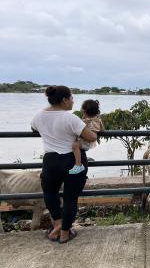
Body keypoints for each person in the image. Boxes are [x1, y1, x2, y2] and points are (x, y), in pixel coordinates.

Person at [31, 86, 97, 243]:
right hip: (72, 162)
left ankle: (57, 224)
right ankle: (65, 233)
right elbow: (92, 137)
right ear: (64, 100)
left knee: (50, 193)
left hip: (51, 161)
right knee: (70, 198)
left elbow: (34, 128)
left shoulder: (39, 115)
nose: (73, 101)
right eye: (72, 98)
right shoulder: (70, 118)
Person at [69, 100, 104, 174]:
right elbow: (102, 129)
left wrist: (83, 120)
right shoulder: (97, 120)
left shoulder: (86, 121)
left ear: (84, 112)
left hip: (86, 142)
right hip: (89, 143)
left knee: (75, 145)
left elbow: (80, 127)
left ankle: (78, 165)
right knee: (75, 145)